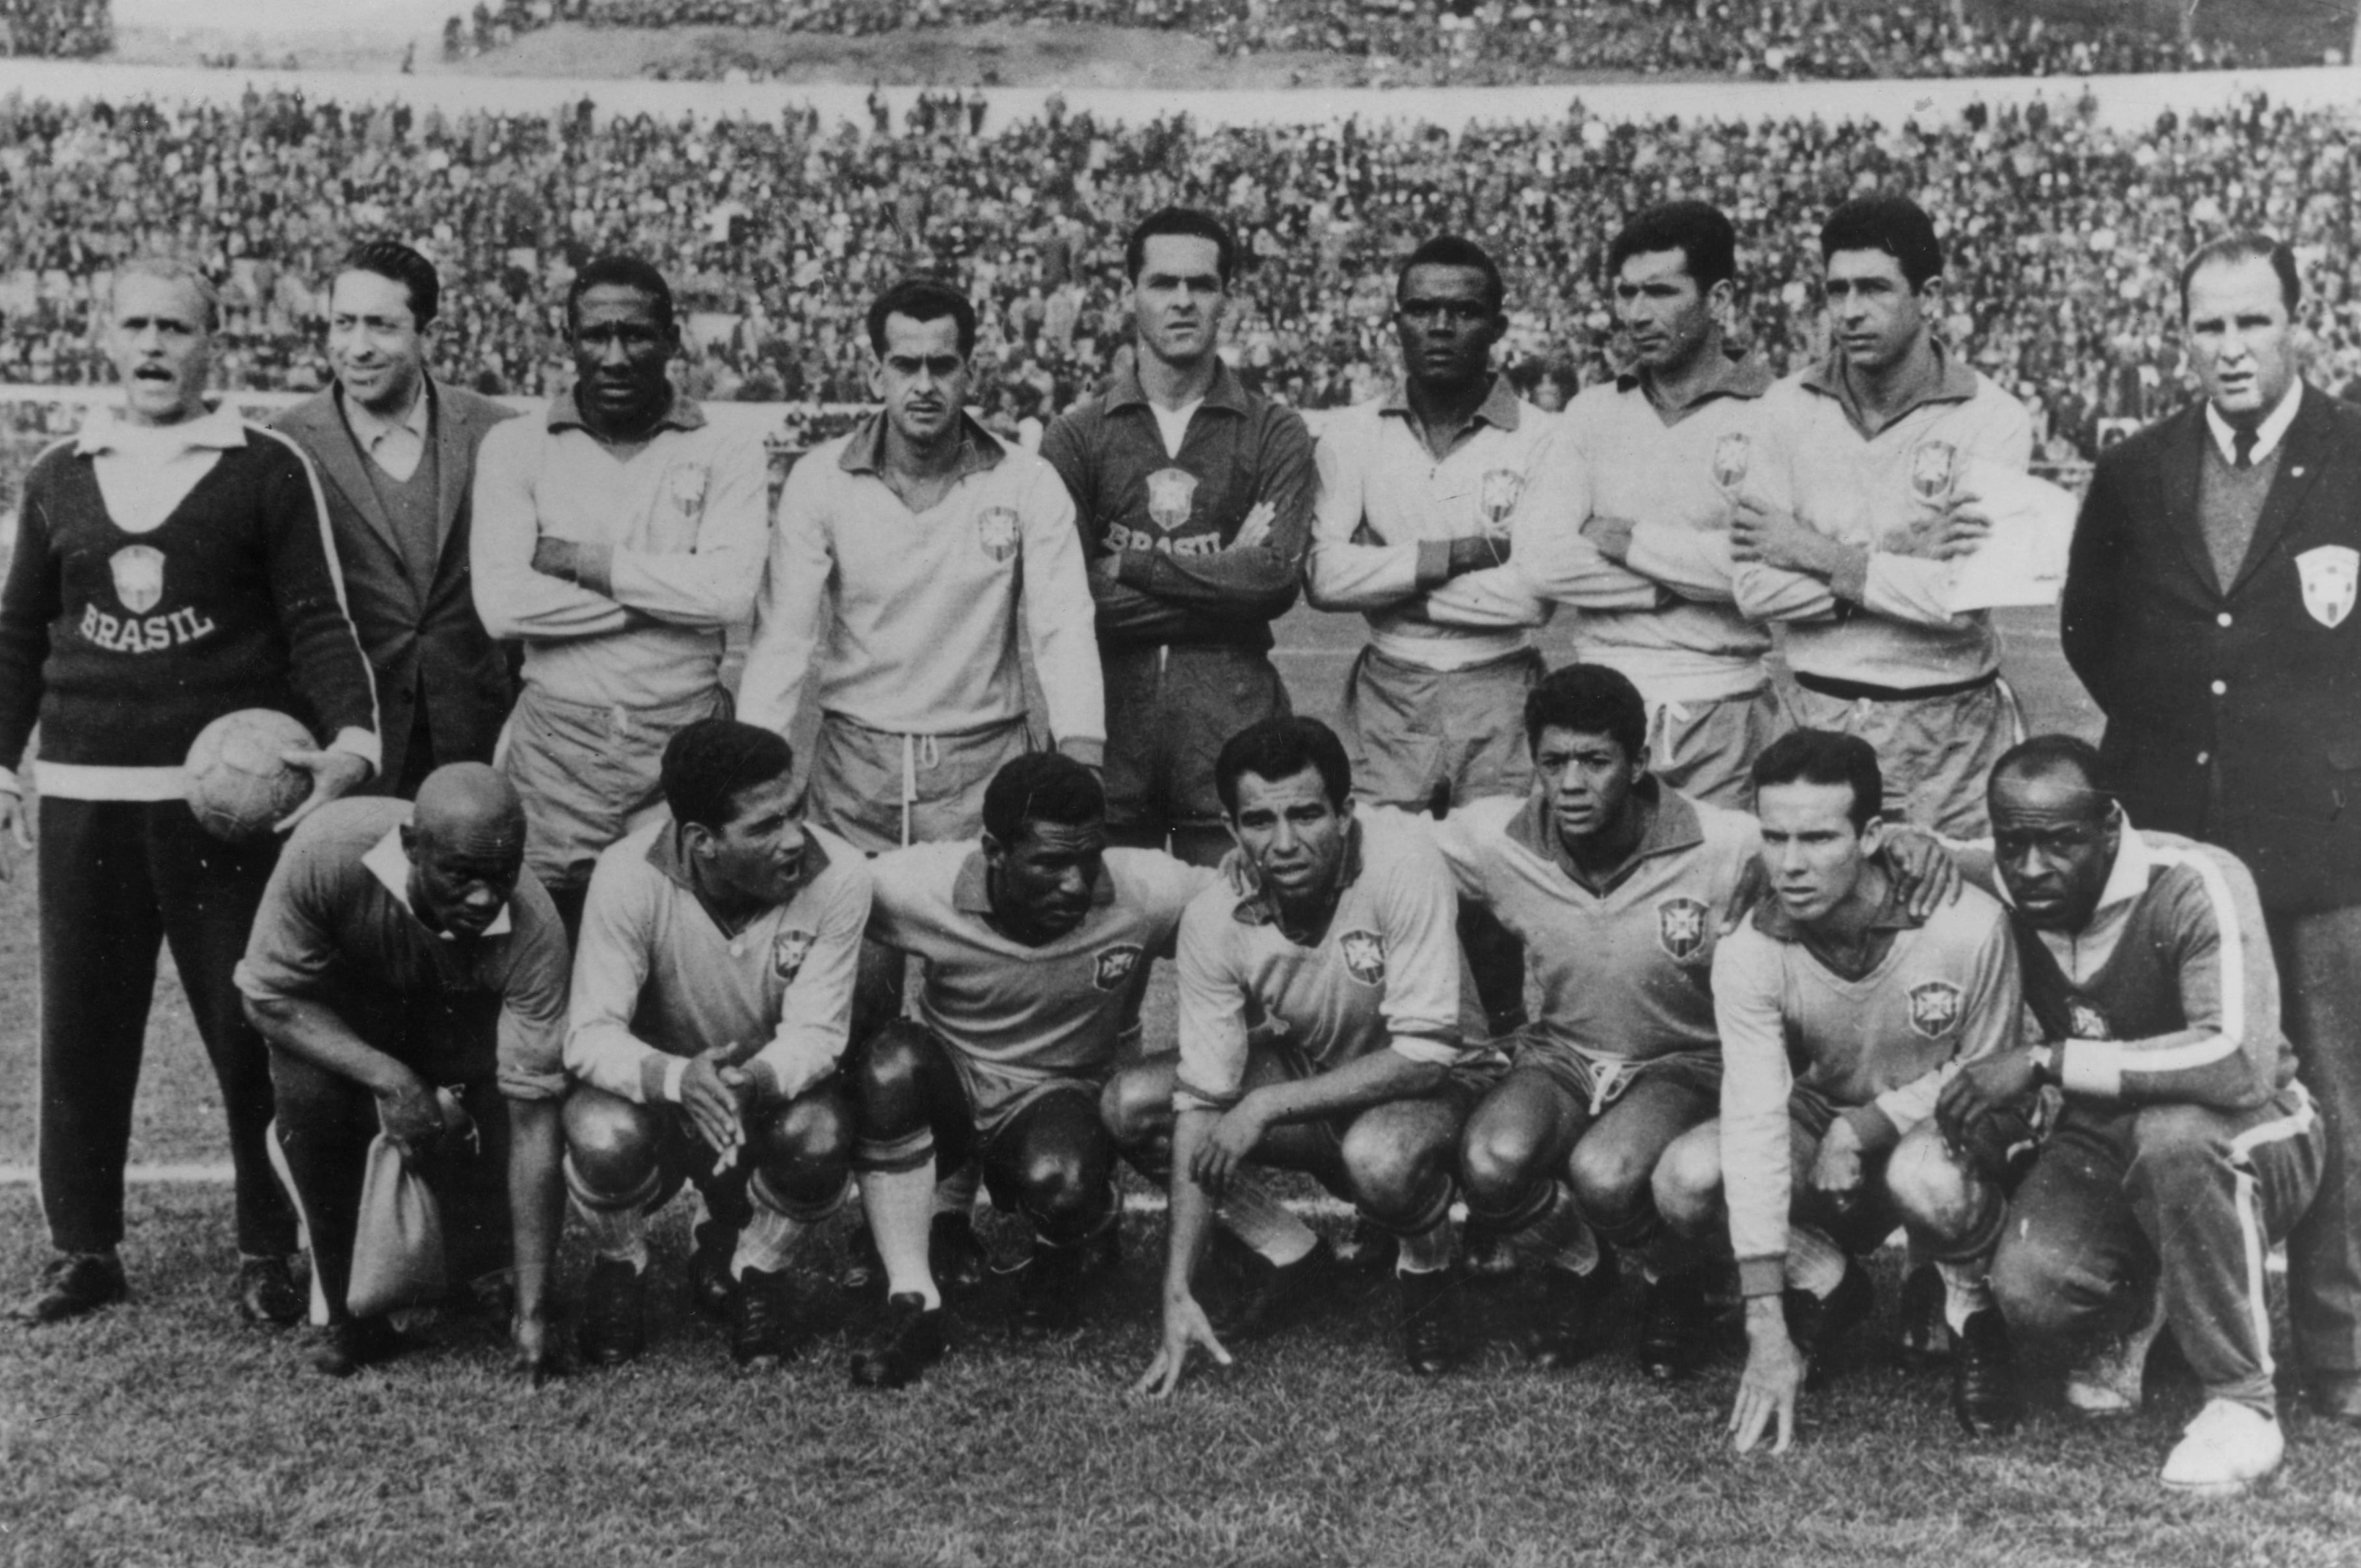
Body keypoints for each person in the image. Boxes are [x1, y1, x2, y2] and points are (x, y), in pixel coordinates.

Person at [0, 258, 380, 1329]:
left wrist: (352, 739)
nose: (155, 345)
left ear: (215, 342)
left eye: (176, 327)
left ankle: (269, 1245)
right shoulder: (60, 471)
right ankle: (84, 1248)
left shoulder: (265, 466)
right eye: (136, 325)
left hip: (227, 807)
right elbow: (19, 631)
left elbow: (317, 617)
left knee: (251, 1020)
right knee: (82, 1030)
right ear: (103, 336)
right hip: (86, 792)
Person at [2061, 230, 2361, 1428]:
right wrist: (2179, 737)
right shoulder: (2136, 468)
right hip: (2175, 845)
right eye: (2208, 326)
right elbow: (2089, 629)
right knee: (2169, 1093)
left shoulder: (2353, 454)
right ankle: (2175, 1335)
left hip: (2326, 841)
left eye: (2252, 322)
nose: (2230, 349)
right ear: (2180, 336)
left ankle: (2340, 1349)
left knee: (2336, 1095)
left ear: (2297, 323)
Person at [1934, 737, 2323, 1495]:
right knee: (2033, 1293)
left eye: (2060, 843)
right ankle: (2145, 1305)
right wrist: (1907, 849)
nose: (2032, 867)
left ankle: (2242, 1404)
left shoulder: (2194, 879)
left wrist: (2045, 1060)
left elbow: (2236, 1059)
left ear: (2110, 826)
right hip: (2107, 1131)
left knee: (2173, 1137)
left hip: (2247, 1125)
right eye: (2012, 843)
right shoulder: (2002, 873)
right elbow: (1921, 850)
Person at [1655, 730, 2024, 1451]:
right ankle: (1823, 1277)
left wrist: (1866, 1126)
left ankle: (1969, 1308)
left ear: (1872, 836)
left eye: (1819, 838)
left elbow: (1989, 1071)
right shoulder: (1749, 950)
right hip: (1818, 1118)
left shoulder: (1967, 924)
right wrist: (1764, 1321)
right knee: (1685, 1178)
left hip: (1943, 1125)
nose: (1790, 865)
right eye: (1774, 837)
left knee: (1927, 1177)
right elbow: (1755, 1119)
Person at [1124, 717, 1494, 1394]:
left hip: (1441, 1091)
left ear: (1345, 813)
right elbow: (1201, 1101)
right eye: (1259, 821)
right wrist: (1176, 1291)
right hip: (1322, 1077)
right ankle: (1291, 1254)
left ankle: (1429, 1270)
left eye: (1305, 815)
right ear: (1231, 829)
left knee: (1378, 1154)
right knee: (1135, 1106)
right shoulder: (1214, 915)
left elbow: (1426, 1055)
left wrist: (1266, 1105)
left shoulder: (1402, 863)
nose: (1285, 843)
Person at [844, 753, 1213, 1388]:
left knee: (1062, 1182)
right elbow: (823, 887)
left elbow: (1240, 897)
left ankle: (1068, 1247)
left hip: (1057, 1090)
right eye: (1049, 863)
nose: (1074, 884)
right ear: (993, 851)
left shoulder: (1146, 889)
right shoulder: (916, 884)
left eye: (1088, 858)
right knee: (889, 1063)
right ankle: (912, 1298)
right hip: (951, 1081)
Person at [1440, 665, 1758, 1375]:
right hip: (1565, 1054)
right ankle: (1580, 1266)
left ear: (1639, 762)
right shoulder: (1497, 839)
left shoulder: (1725, 844)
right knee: (1488, 1162)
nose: (1572, 784)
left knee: (1605, 1174)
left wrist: (1907, 849)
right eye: (1553, 763)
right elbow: (1387, 843)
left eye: (1594, 761)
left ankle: (1675, 1281)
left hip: (1682, 1059)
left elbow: (1826, 852)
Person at [740, 276, 1103, 852]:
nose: (925, 385)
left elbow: (1063, 623)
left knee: (982, 912)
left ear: (970, 373)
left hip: (986, 770)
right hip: (855, 772)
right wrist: (753, 770)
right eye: (906, 365)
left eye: (943, 365)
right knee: (849, 912)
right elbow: (783, 635)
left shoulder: (1027, 481)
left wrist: (1082, 753)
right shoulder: (819, 479)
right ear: (875, 373)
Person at [1304, 234, 1561, 1035]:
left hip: (1500, 682)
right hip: (1390, 688)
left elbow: (1533, 595)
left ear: (1497, 326)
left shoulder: (1542, 437)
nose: (1440, 326)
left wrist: (1391, 580)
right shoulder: (1352, 433)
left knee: (1497, 880)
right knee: (1383, 871)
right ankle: (1403, 1051)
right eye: (1421, 309)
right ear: (1396, 321)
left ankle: (1503, 1042)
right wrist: (1453, 554)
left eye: (1462, 310)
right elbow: (1323, 577)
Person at [237, 764, 569, 1378]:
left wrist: (535, 1313)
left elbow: (535, 1124)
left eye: (502, 874)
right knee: (310, 1098)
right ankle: (349, 1309)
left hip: (452, 1031)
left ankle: (486, 1266)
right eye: (460, 875)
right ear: (412, 846)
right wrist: (390, 1079)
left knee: (511, 1096)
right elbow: (268, 998)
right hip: (348, 1026)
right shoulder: (328, 850)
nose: (484, 898)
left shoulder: (534, 928)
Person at [471, 255, 768, 937]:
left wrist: (582, 562)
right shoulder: (516, 445)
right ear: (568, 339)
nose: (614, 356)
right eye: (595, 335)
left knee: (678, 943)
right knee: (546, 939)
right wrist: (660, 599)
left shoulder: (726, 447)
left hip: (682, 736)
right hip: (556, 747)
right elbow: (503, 606)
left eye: (635, 334)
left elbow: (729, 595)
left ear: (672, 339)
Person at [561, 720, 870, 1370]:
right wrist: (680, 1080)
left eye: (795, 811)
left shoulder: (840, 873)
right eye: (765, 827)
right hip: (662, 1101)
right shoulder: (627, 874)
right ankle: (620, 1266)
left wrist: (748, 1082)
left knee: (820, 1133)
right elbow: (589, 1033)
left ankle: (758, 1271)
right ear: (701, 841)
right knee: (599, 1132)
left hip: (765, 1096)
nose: (795, 838)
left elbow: (817, 1032)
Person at [1731, 194, 2035, 837]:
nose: (1849, 311)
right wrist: (1903, 558)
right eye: (1835, 290)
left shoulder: (1993, 418)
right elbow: (1754, 588)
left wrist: (1812, 552)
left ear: (1929, 295)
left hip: (1948, 733)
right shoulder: (1784, 407)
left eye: (1873, 288)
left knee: (1950, 897)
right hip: (1815, 717)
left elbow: (1960, 601)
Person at [1042, 208, 1317, 867]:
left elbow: (1273, 578)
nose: (1183, 300)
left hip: (1234, 748)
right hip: (1107, 747)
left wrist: (1131, 565)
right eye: (1164, 283)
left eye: (1202, 284)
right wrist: (1226, 582)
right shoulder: (1076, 436)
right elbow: (1070, 601)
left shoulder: (1274, 431)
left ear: (1229, 298)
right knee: (1102, 929)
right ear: (1130, 294)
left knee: (1235, 926)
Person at [1553, 201, 1782, 809]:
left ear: (1719, 299)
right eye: (1626, 293)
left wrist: (1630, 543)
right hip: (1599, 713)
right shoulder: (1589, 413)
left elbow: (1769, 569)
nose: (1636, 314)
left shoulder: (1778, 414)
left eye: (1659, 292)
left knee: (1718, 869)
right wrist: (1678, 584)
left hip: (1724, 709)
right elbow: (1542, 561)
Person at [273, 240, 518, 797]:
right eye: (344, 324)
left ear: (428, 335)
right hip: (344, 750)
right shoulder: (282, 445)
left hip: (474, 746)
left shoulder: (497, 433)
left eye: (382, 326)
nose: (358, 347)